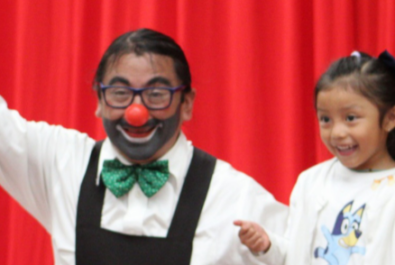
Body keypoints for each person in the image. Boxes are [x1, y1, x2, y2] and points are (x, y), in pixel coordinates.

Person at [0, 28, 288, 265]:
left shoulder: (232, 196)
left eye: (156, 94)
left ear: (186, 104)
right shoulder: (62, 164)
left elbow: (307, 251)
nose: (135, 112)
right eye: (120, 93)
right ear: (99, 100)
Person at [235, 50, 395, 264]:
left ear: (390, 118)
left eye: (350, 118)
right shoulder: (311, 181)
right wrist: (268, 245)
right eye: (325, 119)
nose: (337, 132)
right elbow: (295, 254)